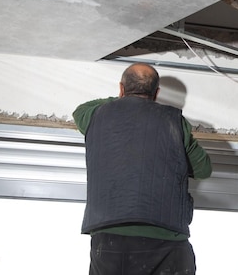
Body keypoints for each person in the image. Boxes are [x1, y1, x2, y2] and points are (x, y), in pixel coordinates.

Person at [73, 63, 212, 275]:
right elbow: (203, 169)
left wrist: (127, 100)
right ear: (156, 93)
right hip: (166, 239)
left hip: (110, 241)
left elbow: (79, 110)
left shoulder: (94, 115)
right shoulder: (175, 122)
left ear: (121, 89)